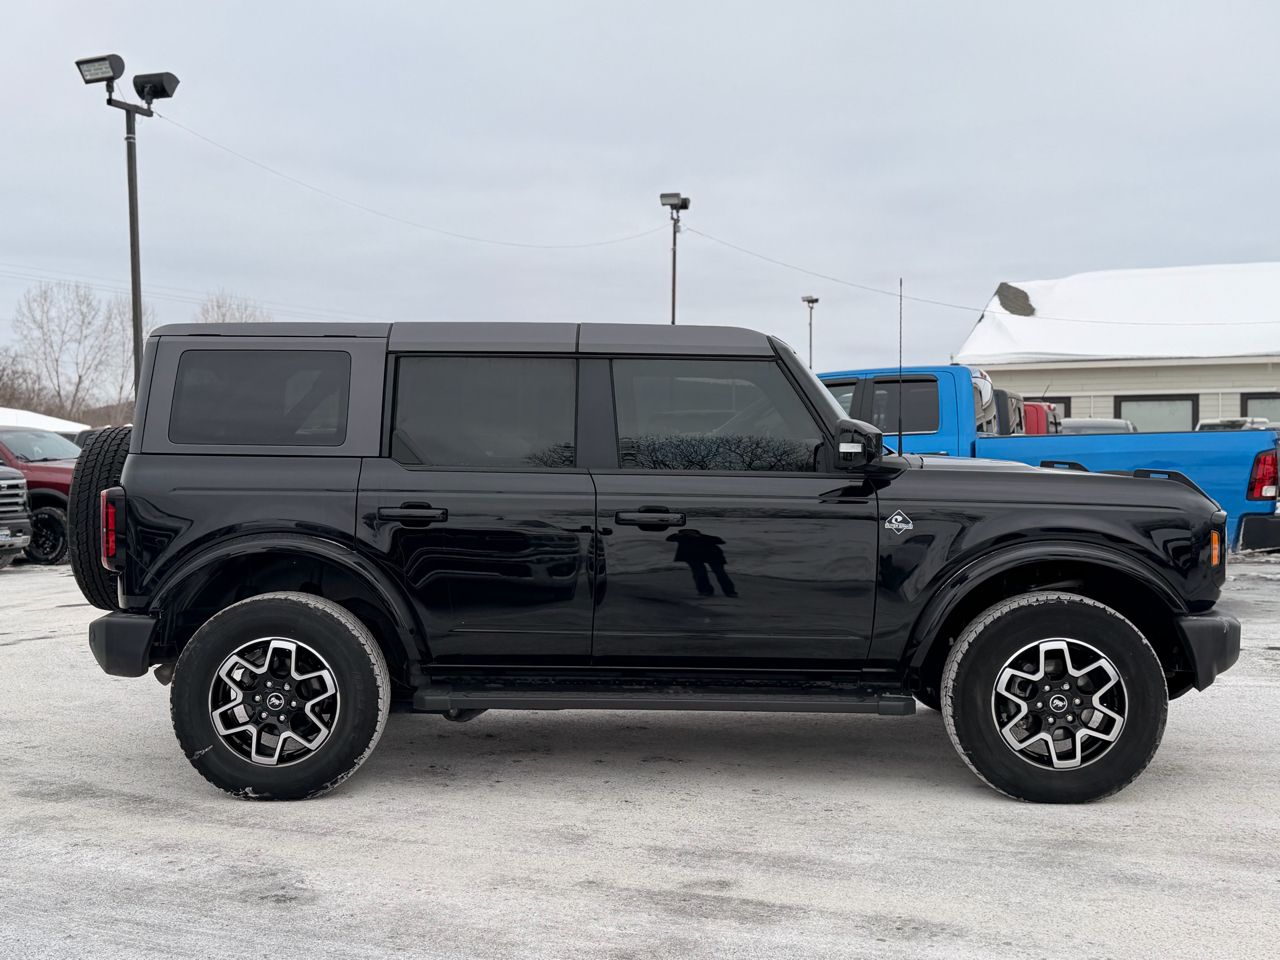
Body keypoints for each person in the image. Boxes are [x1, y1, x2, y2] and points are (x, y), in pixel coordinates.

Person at [666, 529, 737, 597]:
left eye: (690, 532)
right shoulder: (682, 538)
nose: (688, 533)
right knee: (700, 573)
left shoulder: (704, 537)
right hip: (694, 558)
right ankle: (705, 591)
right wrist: (678, 535)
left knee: (720, 573)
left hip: (713, 556)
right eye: (686, 532)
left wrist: (699, 537)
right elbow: (669, 538)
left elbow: (721, 541)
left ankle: (730, 592)